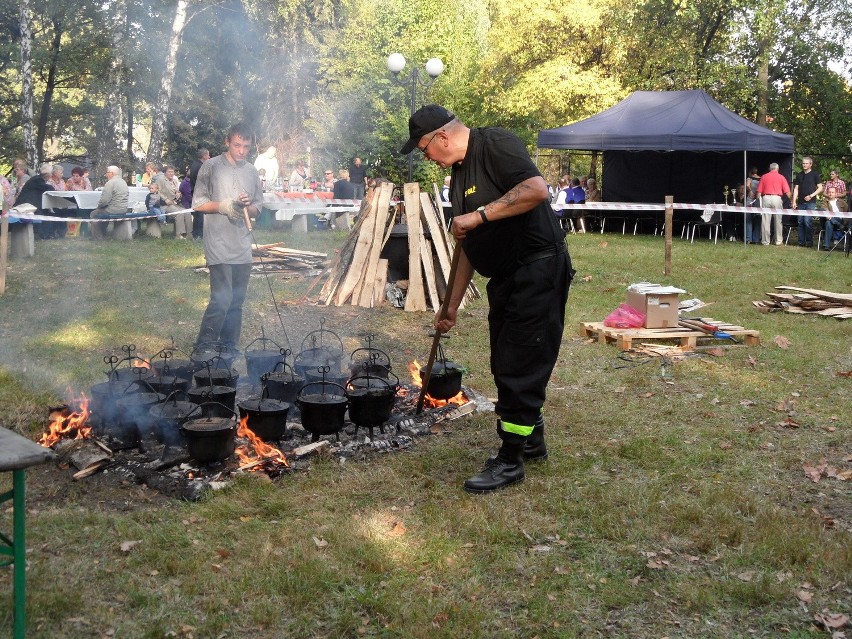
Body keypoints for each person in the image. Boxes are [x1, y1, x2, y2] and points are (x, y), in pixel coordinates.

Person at [400, 104, 574, 494]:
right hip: (507, 277)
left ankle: (510, 460)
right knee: (508, 358)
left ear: (442, 137)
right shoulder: (459, 175)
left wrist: (478, 215)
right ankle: (531, 439)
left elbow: (535, 190)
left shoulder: (496, 143)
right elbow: (469, 249)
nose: (428, 157)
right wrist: (450, 305)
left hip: (538, 269)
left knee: (519, 362)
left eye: (425, 148)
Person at [192, 122, 263, 349]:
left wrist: (246, 206)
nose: (241, 151)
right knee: (221, 300)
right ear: (227, 142)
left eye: (246, 147)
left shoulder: (252, 171)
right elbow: (198, 204)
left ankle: (228, 349)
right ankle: (204, 349)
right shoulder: (210, 167)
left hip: (242, 245)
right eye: (237, 145)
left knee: (237, 302)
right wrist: (223, 206)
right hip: (219, 243)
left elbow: (257, 209)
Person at [14, 163, 63, 239]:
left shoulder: (38, 179)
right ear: (48, 174)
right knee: (43, 214)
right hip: (24, 205)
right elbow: (49, 188)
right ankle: (43, 235)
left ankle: (48, 234)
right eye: (50, 173)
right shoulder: (38, 180)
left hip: (30, 204)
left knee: (48, 213)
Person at [756, 163, 791, 246]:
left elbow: (759, 192)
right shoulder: (781, 177)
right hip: (777, 198)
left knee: (765, 221)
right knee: (778, 220)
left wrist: (758, 201)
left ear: (770, 168)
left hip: (766, 198)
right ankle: (778, 240)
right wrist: (792, 201)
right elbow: (787, 192)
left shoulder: (764, 176)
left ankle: (765, 241)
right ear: (777, 169)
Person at [90, 165, 129, 239]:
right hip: (123, 209)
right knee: (103, 212)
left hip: (114, 210)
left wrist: (98, 207)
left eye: (107, 172)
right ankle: (104, 233)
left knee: (94, 213)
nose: (106, 174)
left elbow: (104, 201)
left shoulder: (110, 183)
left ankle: (97, 237)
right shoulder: (123, 182)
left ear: (112, 173)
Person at [792, 156, 822, 247]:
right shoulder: (799, 175)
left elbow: (820, 188)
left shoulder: (815, 175)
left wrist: (811, 196)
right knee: (800, 222)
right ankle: (801, 242)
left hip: (811, 202)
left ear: (810, 164)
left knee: (807, 221)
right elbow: (796, 189)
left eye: (806, 163)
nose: (804, 165)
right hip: (800, 202)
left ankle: (809, 242)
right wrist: (794, 201)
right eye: (803, 163)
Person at [155, 165, 192, 238]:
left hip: (175, 203)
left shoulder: (174, 180)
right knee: (179, 213)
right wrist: (165, 199)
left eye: (172, 172)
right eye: (169, 172)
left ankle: (189, 234)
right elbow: (156, 191)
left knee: (187, 212)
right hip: (165, 205)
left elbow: (177, 191)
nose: (171, 173)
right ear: (165, 173)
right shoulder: (160, 180)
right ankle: (180, 235)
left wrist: (179, 194)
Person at [820, 185, 849, 251]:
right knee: (828, 222)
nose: (830, 194)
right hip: (831, 221)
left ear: (836, 193)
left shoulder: (842, 202)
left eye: (832, 192)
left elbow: (848, 211)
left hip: (840, 220)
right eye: (829, 192)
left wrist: (846, 221)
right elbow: (824, 209)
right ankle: (827, 246)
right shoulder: (825, 202)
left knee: (829, 221)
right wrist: (829, 216)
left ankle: (826, 246)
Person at [189, 148, 210, 239]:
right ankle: (199, 235)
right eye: (208, 155)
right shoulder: (201, 166)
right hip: (201, 193)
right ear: (204, 156)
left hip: (195, 192)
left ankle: (196, 234)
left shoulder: (194, 165)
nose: (209, 157)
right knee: (200, 215)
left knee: (197, 214)